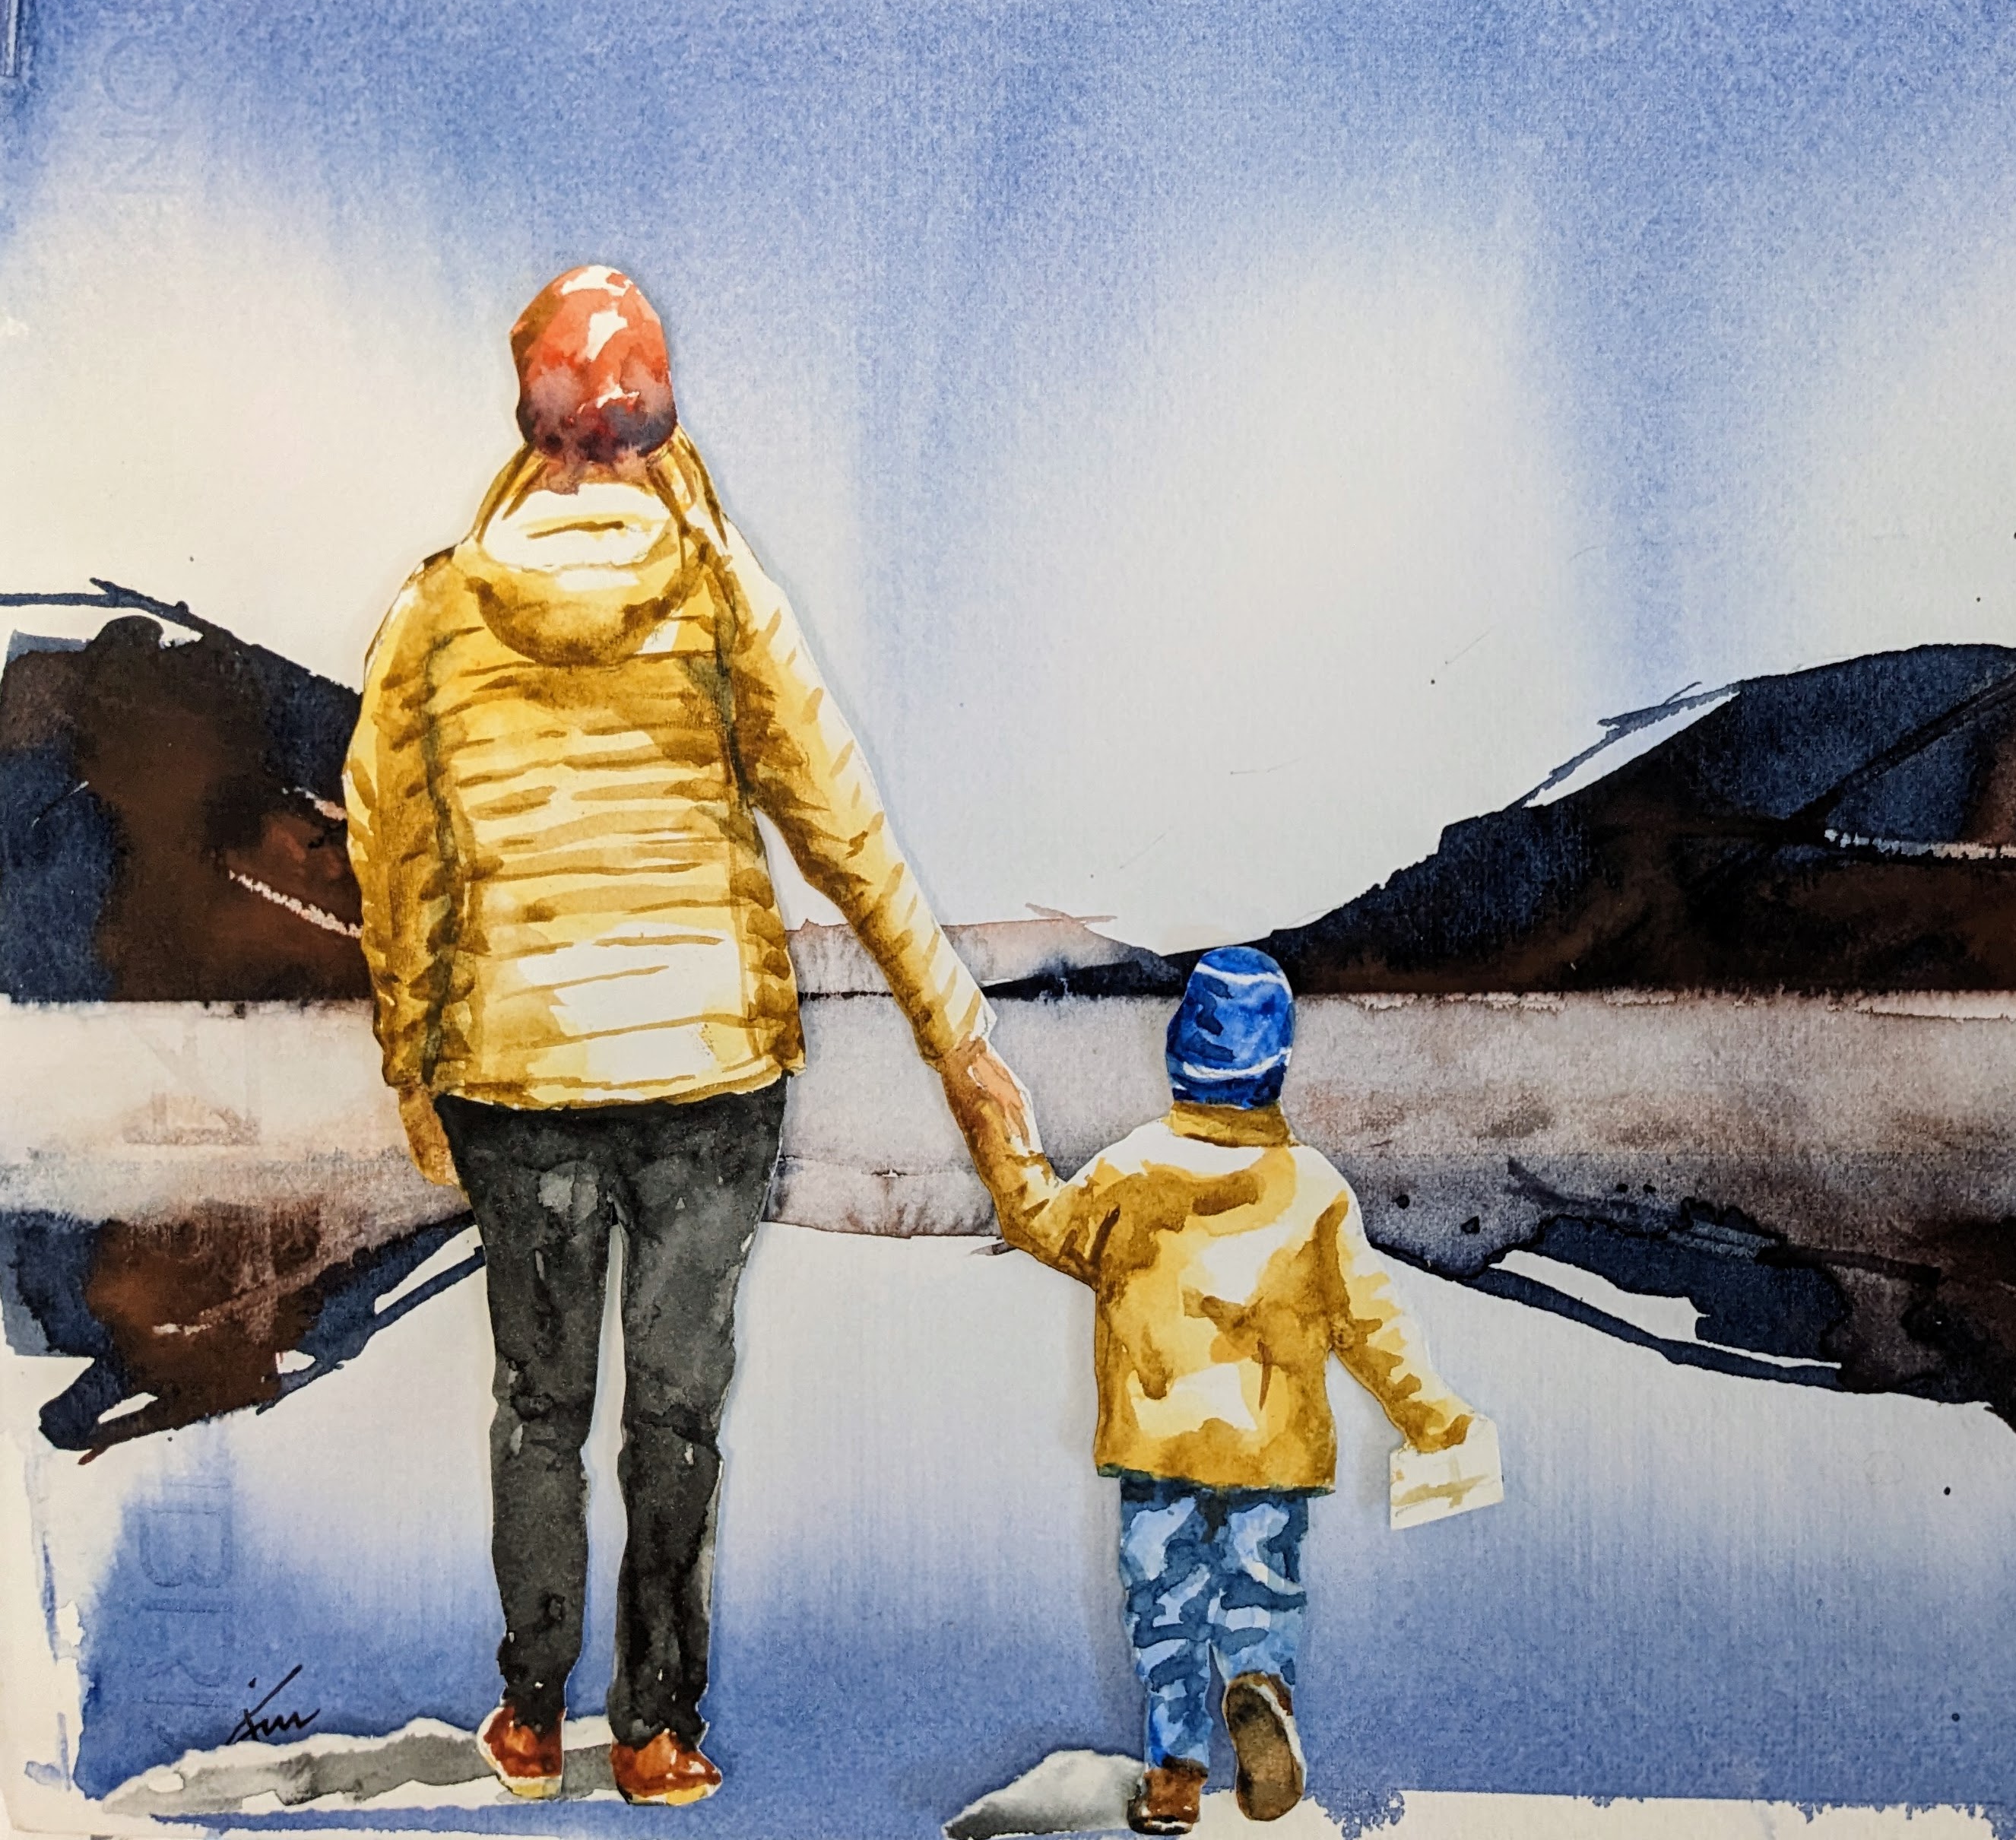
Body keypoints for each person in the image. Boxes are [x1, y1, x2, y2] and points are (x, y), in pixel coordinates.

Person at [344, 265, 1037, 1807]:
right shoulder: (721, 591)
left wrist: (413, 1058)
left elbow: (392, 858)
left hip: (515, 1067)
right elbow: (842, 827)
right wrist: (956, 1035)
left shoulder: (437, 610)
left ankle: (533, 1717)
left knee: (539, 1406)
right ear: (659, 417)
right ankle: (658, 1731)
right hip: (711, 1072)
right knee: (677, 1413)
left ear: (528, 417)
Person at [960, 946, 1479, 1835]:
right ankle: (1259, 1686)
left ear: (1178, 1051)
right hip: (1272, 1449)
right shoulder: (1314, 1190)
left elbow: (1043, 1225)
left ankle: (1172, 1779)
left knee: (1163, 1607)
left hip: (1158, 1442)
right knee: (1261, 1588)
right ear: (1277, 1064)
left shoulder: (1132, 1169)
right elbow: (1371, 1323)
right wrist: (1433, 1419)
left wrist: (997, 1123)